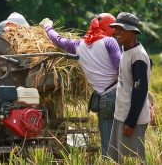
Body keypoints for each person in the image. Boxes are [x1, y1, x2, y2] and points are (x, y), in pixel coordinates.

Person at [39, 13, 121, 157]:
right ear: (109, 29)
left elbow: (58, 40)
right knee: (124, 140)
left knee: (107, 145)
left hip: (103, 100)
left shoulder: (78, 45)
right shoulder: (110, 42)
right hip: (117, 95)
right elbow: (121, 70)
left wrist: (48, 26)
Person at [107, 12, 151, 164]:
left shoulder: (137, 56)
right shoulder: (127, 50)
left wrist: (131, 122)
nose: (117, 32)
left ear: (133, 31)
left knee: (132, 160)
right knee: (122, 159)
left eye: (121, 29)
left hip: (132, 119)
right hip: (122, 115)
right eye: (116, 28)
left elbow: (140, 91)